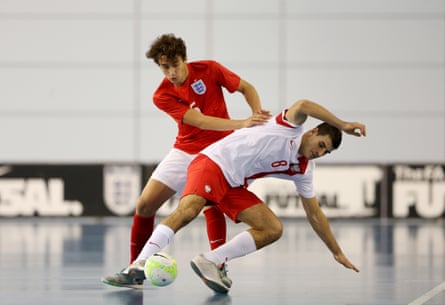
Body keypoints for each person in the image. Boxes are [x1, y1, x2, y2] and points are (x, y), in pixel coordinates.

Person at [109, 99, 366, 293]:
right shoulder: (289, 128)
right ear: (312, 132)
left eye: (326, 153)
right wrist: (343, 124)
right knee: (189, 210)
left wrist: (336, 251)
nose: (320, 153)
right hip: (213, 162)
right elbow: (304, 104)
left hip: (233, 185)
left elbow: (314, 213)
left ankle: (212, 260)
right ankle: (139, 264)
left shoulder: (304, 169)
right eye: (321, 145)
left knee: (272, 228)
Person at [101, 33, 271, 288]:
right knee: (145, 205)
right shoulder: (161, 95)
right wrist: (243, 124)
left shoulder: (210, 69)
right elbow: (199, 121)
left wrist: (256, 114)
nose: (170, 72)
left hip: (220, 151)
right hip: (185, 150)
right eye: (164, 67)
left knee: (211, 205)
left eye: (174, 64)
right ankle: (135, 269)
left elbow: (247, 88)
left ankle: (218, 267)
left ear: (185, 60)